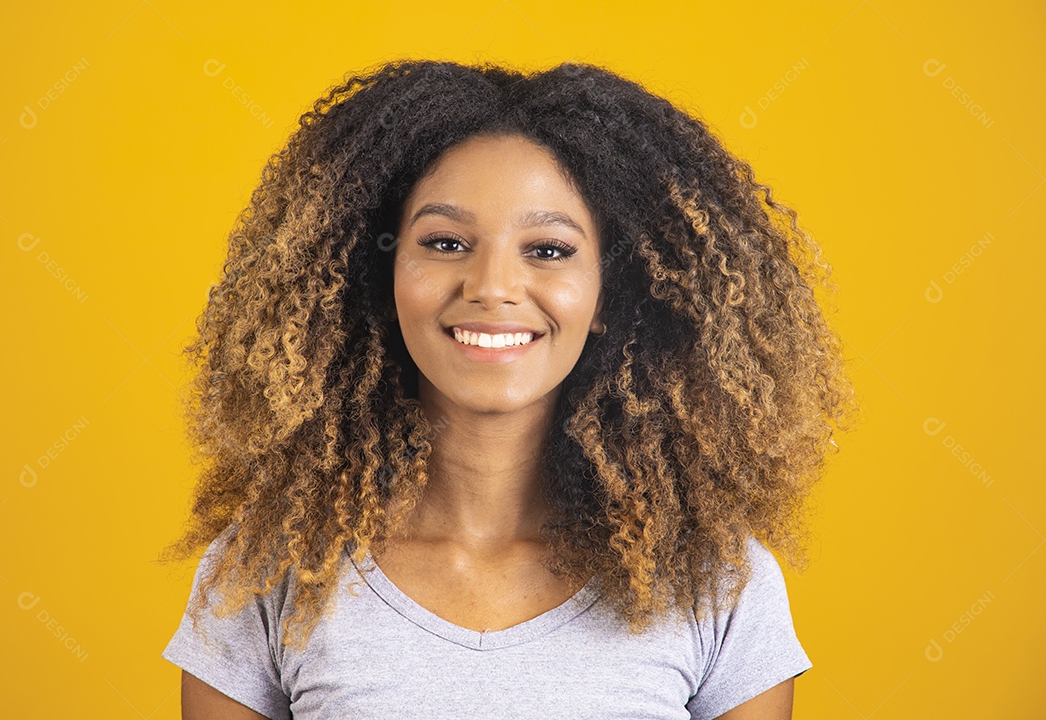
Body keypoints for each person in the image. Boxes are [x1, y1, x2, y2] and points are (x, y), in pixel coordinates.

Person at [159, 58, 857, 720]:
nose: (491, 287)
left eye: (548, 251)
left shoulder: (716, 580)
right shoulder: (264, 572)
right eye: (445, 243)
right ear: (378, 275)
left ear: (611, 293)